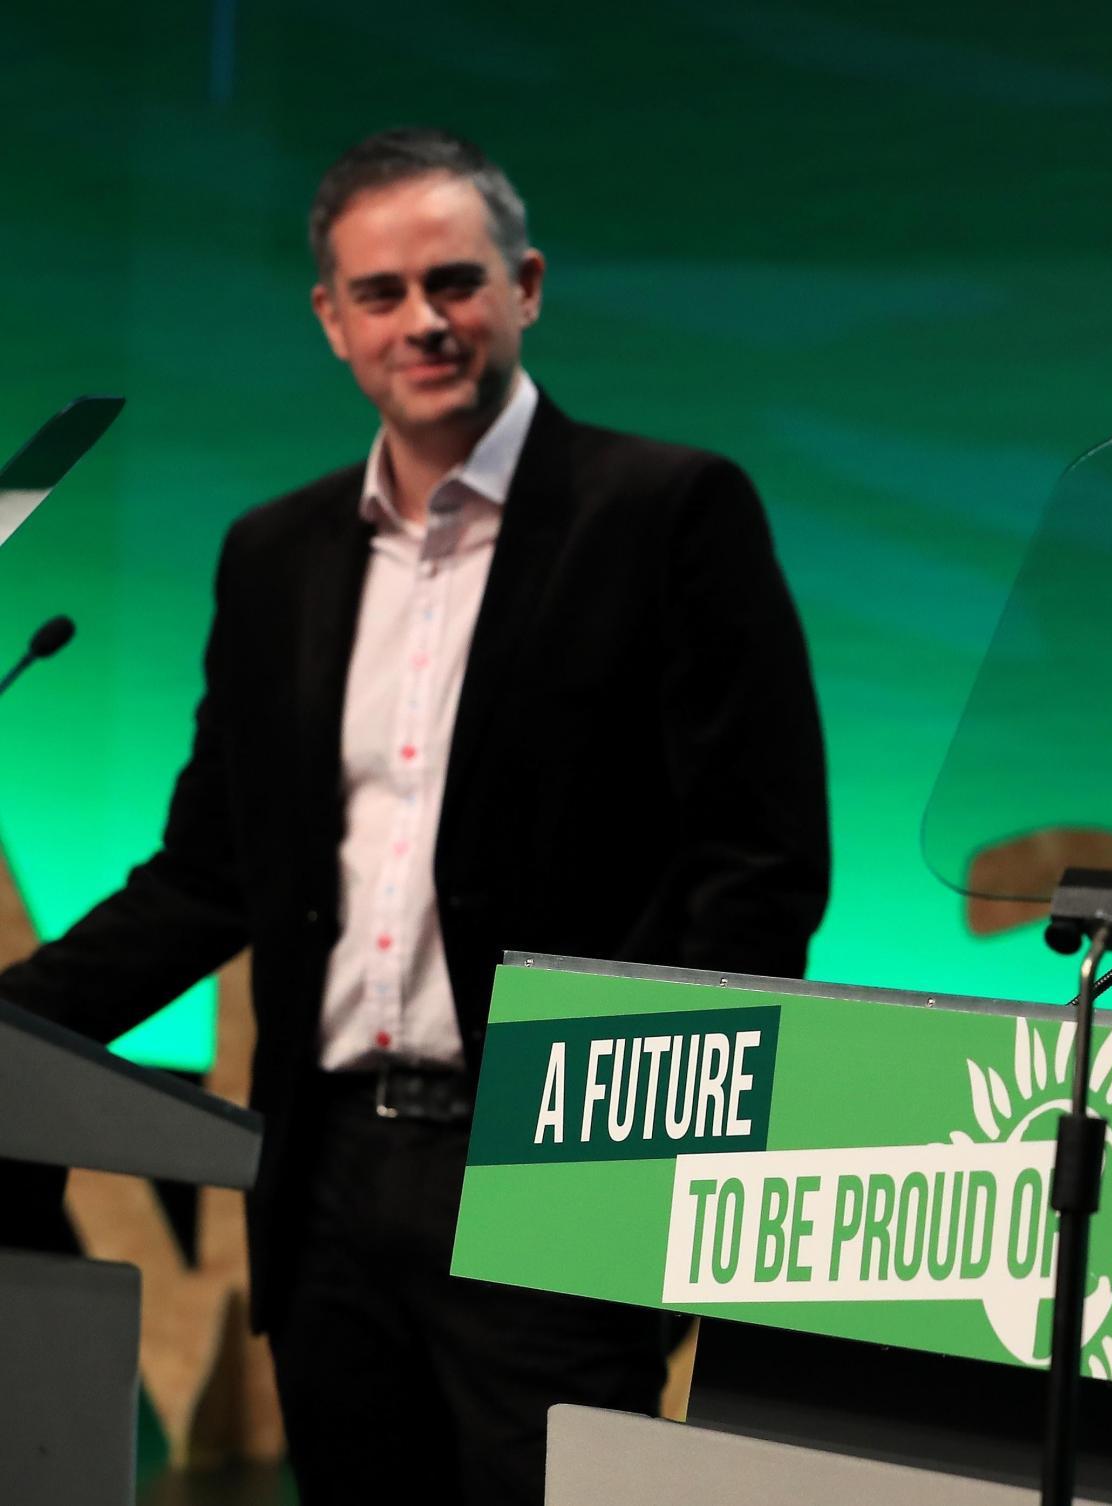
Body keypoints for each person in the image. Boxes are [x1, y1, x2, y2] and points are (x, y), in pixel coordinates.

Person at [0, 127, 831, 1504]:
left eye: (455, 281)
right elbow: (209, 874)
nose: (423, 320)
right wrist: (14, 1026)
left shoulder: (669, 512)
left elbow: (762, 869)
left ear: (527, 286)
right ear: (331, 320)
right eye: (380, 294)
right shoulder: (274, 555)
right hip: (320, 1177)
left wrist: (633, 1142)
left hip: (551, 1170)